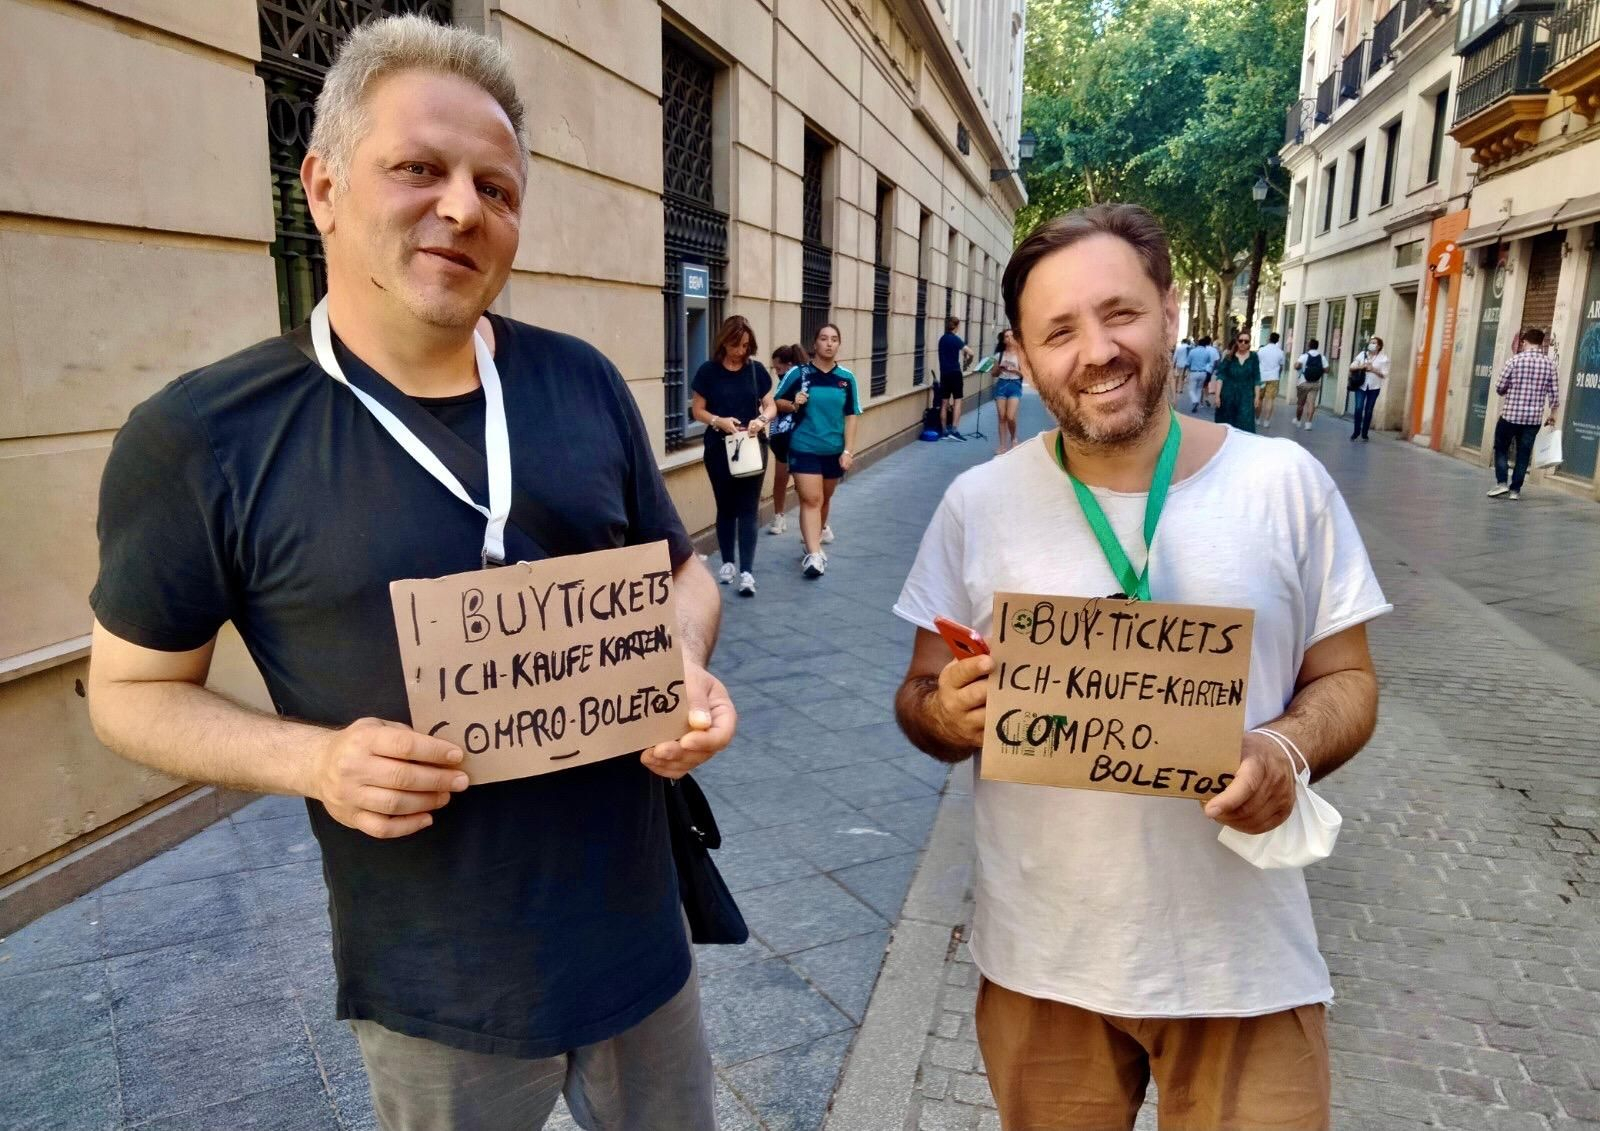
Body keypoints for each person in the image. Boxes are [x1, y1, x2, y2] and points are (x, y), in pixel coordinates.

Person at [85, 18, 735, 1131]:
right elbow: (129, 693)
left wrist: (678, 662)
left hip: (638, 928)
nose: (463, 207)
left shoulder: (580, 382)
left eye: (497, 186)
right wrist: (320, 761)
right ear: (324, 187)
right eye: (418, 169)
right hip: (436, 979)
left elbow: (683, 573)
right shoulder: (203, 436)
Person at [893, 202, 1387, 1131]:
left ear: (1168, 311)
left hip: (1246, 964)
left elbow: (1350, 679)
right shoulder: (977, 503)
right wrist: (948, 714)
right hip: (1044, 965)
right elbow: (920, 695)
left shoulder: (1283, 485)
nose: (1097, 350)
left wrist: (1284, 751)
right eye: (1060, 330)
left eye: (1119, 313)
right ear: (1024, 354)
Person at [691, 315, 775, 596]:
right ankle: (727, 562)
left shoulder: (756, 370)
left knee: (749, 508)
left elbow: (770, 404)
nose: (741, 351)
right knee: (725, 506)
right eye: (736, 345)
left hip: (751, 445)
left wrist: (761, 420)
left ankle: (747, 571)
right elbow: (697, 410)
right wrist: (718, 420)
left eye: (746, 346)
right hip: (718, 447)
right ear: (724, 342)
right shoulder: (708, 371)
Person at [775, 323, 860, 578]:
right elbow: (775, 401)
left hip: (833, 450)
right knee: (810, 500)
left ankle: (815, 538)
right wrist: (793, 403)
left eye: (834, 339)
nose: (829, 343)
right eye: (824, 338)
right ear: (815, 344)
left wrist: (848, 450)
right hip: (804, 446)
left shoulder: (846, 378)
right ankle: (813, 554)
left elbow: (852, 415)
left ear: (839, 344)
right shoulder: (799, 374)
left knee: (823, 499)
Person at [1488, 327, 1560, 500]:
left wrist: (1508, 390)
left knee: (1501, 448)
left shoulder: (1514, 361)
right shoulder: (1549, 364)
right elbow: (1554, 395)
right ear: (1542, 343)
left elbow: (1499, 387)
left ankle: (1502, 483)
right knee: (1523, 453)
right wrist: (1552, 415)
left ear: (1524, 342)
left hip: (1510, 416)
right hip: (1533, 419)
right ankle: (1515, 491)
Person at [767, 343, 806, 535]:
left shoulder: (801, 377)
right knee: (781, 478)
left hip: (798, 436)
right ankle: (779, 517)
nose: (777, 373)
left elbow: (780, 402)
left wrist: (792, 406)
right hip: (783, 438)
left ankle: (814, 523)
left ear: (789, 365)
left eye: (779, 369)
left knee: (802, 482)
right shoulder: (789, 379)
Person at [937, 316, 976, 438]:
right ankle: (954, 430)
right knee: (958, 401)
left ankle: (943, 431)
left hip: (944, 374)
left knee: (944, 403)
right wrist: (968, 362)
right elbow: (971, 353)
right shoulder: (956, 340)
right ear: (957, 327)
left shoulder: (942, 339)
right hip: (955, 373)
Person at [1213, 331, 1259, 433]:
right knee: (1227, 425)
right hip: (1228, 396)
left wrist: (1257, 396)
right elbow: (1220, 376)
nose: (1243, 343)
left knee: (1245, 424)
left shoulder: (1254, 357)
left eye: (1246, 341)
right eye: (1241, 340)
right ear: (1237, 342)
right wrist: (1217, 396)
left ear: (1249, 343)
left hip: (1246, 397)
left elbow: (1257, 377)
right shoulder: (1229, 357)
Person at [1347, 335, 1389, 443]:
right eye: (1371, 342)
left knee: (1369, 410)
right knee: (1358, 408)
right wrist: (1361, 366)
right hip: (1361, 385)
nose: (1372, 344)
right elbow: (1352, 367)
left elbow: (1384, 374)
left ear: (1379, 346)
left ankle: (1365, 433)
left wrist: (1373, 369)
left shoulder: (1384, 358)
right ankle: (1356, 431)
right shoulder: (1362, 354)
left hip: (1374, 387)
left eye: (1374, 343)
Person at [992, 328, 1025, 454]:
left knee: (1010, 416)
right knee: (1002, 417)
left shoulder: (1020, 355)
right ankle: (1002, 446)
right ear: (1004, 340)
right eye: (1007, 336)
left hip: (1015, 385)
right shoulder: (999, 355)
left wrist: (1014, 370)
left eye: (1012, 336)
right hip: (1001, 384)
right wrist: (1000, 369)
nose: (1009, 338)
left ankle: (1014, 437)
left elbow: (1024, 374)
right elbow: (993, 374)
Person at [1293, 338, 1326, 430]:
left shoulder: (1304, 356)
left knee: (1300, 404)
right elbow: (1327, 370)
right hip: (1315, 383)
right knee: (1311, 404)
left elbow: (1296, 366)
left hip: (1303, 383)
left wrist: (1298, 366)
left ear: (1309, 346)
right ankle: (1308, 424)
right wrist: (1319, 370)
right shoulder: (1322, 357)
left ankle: (1298, 420)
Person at [1255, 332, 1286, 429]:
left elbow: (1256, 363)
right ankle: (1267, 421)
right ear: (1277, 340)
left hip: (1262, 377)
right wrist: (1278, 375)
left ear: (1269, 339)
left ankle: (1257, 419)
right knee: (1270, 400)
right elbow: (1281, 366)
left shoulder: (1261, 350)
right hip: (1274, 378)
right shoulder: (1280, 352)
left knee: (1259, 398)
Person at [1185, 335, 1218, 413]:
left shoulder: (1192, 351)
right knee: (1199, 389)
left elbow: (1188, 362)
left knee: (1191, 389)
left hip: (1194, 372)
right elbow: (1209, 362)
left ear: (1198, 344)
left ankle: (1195, 401)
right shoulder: (1207, 352)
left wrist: (1188, 369)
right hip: (1203, 372)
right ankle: (1196, 404)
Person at [1171, 336, 1192, 402]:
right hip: (1185, 363)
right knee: (1182, 376)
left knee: (1178, 375)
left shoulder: (1179, 347)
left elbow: (1175, 356)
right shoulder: (1189, 347)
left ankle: (1176, 388)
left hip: (1179, 363)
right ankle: (1180, 389)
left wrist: (1173, 363)